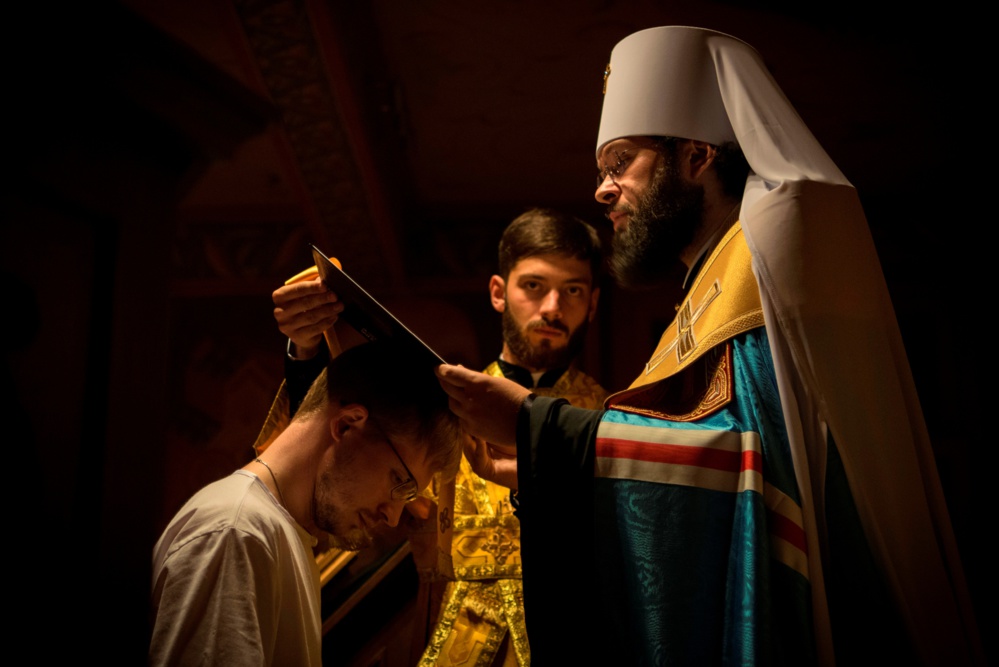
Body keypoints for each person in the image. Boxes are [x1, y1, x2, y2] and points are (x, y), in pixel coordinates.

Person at [435, 26, 982, 666]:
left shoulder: (770, 254)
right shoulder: (700, 290)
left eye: (620, 163)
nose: (601, 189)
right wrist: (554, 464)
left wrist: (542, 430)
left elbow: (759, 470)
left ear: (696, 157)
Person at [269, 208, 608, 666]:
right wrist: (306, 349)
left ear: (592, 303)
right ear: (498, 293)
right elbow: (333, 472)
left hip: (570, 633)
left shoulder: (612, 422)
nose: (552, 307)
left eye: (572, 290)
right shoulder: (443, 406)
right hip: (452, 631)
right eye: (533, 285)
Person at [149, 339, 462, 666]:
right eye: (399, 481)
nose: (394, 516)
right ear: (346, 424)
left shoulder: (274, 534)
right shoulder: (237, 533)